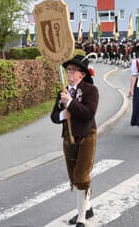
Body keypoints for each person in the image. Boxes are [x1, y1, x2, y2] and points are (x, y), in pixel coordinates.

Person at [51, 55, 99, 227]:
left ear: (82, 74)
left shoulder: (90, 90)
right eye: (68, 70)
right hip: (68, 138)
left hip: (86, 136)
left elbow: (88, 114)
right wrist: (63, 114)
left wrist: (70, 103)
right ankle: (88, 207)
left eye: (73, 70)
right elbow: (53, 117)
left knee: (81, 176)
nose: (69, 74)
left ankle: (81, 218)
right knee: (74, 176)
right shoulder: (63, 92)